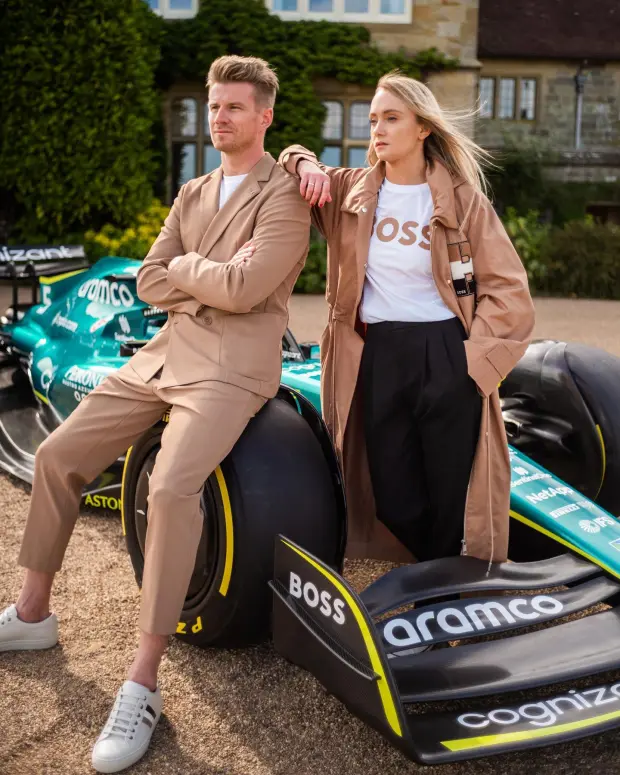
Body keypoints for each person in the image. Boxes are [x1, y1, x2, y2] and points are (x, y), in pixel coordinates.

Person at [0, 55, 310, 773]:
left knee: (170, 487)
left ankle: (142, 680)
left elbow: (250, 285)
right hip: (164, 355)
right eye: (215, 105)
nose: (221, 117)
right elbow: (147, 277)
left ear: (265, 116)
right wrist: (205, 281)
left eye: (236, 107)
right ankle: (34, 612)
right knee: (57, 455)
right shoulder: (194, 189)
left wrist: (191, 276)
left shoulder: (285, 193)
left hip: (232, 368)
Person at [277, 71, 535, 567]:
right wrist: (305, 161)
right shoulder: (350, 191)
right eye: (373, 119)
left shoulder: (462, 200)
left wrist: (471, 365)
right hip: (376, 354)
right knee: (391, 491)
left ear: (423, 129)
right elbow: (286, 158)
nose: (378, 128)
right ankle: (432, 566)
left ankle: (439, 589)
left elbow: (508, 289)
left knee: (448, 485)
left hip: (446, 353)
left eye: (392, 118)